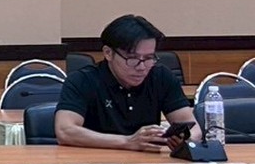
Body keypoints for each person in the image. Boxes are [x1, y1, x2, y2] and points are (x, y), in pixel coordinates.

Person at [54, 14, 197, 152]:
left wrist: (185, 140)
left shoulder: (161, 77)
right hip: (94, 161)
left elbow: (193, 127)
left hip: (147, 161)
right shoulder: (82, 80)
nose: (141, 67)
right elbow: (65, 131)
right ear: (108, 53)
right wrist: (127, 142)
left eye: (149, 58)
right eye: (132, 58)